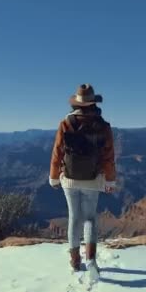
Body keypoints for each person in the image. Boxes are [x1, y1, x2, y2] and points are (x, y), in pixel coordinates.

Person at [49, 84, 117, 275]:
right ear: (93, 103)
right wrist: (110, 180)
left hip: (69, 179)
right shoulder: (103, 126)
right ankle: (91, 261)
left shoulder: (66, 123)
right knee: (89, 219)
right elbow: (108, 156)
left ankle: (74, 260)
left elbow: (57, 152)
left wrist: (54, 176)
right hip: (92, 180)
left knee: (74, 218)